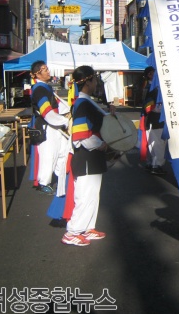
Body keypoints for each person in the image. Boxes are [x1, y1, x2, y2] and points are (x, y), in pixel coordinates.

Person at [62, 65, 109, 246]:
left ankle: (87, 228)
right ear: (88, 81)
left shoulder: (86, 101)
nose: (97, 83)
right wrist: (101, 145)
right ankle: (72, 232)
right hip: (87, 156)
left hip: (92, 157)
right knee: (85, 196)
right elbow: (80, 136)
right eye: (95, 79)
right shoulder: (83, 103)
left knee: (92, 195)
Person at [30, 61, 70, 195]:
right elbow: (46, 112)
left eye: (47, 69)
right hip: (47, 126)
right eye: (44, 69)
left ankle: (59, 177)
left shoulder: (43, 87)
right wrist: (64, 120)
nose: (48, 71)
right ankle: (44, 183)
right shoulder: (40, 89)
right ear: (37, 74)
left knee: (60, 151)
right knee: (49, 155)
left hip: (53, 125)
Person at [140, 66, 167, 175]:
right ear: (150, 75)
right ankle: (156, 165)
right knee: (158, 143)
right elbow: (152, 106)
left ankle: (151, 163)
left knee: (152, 142)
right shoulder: (154, 88)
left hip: (149, 119)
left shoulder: (148, 87)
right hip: (157, 118)